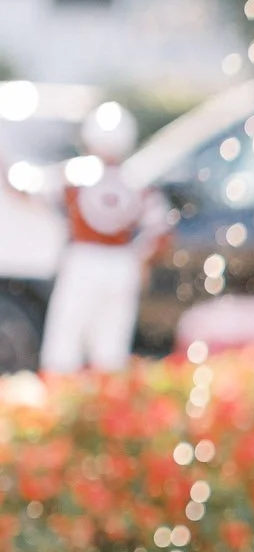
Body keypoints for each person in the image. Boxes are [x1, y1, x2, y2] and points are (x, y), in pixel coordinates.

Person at [39, 103, 167, 375]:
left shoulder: (73, 176)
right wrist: (142, 260)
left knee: (65, 341)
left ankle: (60, 409)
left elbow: (30, 192)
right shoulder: (138, 181)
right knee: (111, 346)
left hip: (82, 261)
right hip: (122, 264)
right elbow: (161, 230)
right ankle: (105, 407)